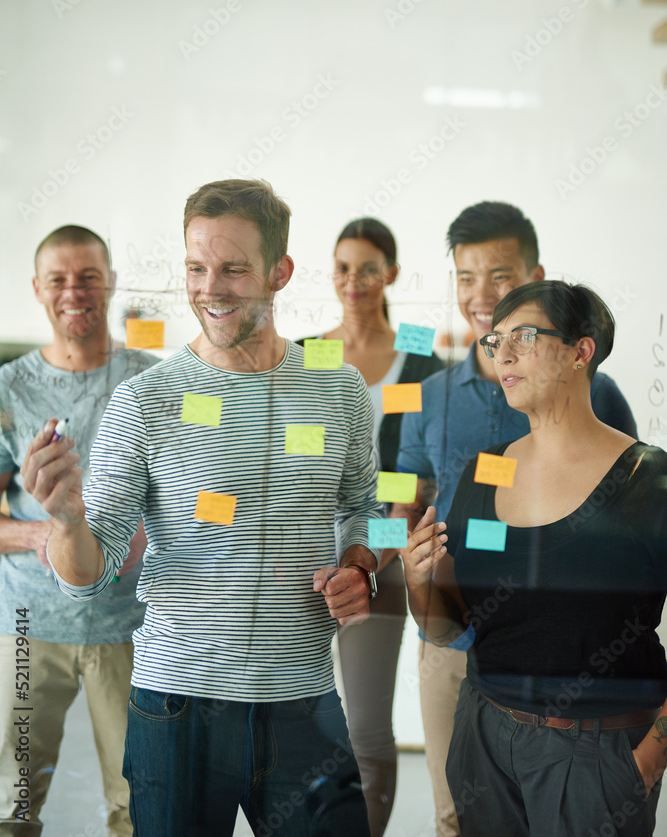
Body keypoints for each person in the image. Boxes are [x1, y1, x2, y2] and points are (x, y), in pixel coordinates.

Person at [20, 180, 385, 837]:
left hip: (304, 700)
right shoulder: (145, 402)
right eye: (195, 268)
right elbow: (86, 574)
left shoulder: (339, 388)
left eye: (233, 269)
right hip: (177, 708)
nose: (209, 288)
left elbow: (369, 506)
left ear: (280, 272)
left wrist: (362, 564)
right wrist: (68, 522)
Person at [395, 201, 638, 837]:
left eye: (499, 276)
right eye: (465, 278)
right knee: (456, 811)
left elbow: (620, 506)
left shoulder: (597, 391)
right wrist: (389, 562)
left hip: (567, 656)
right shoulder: (430, 394)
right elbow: (404, 488)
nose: (481, 295)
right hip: (455, 632)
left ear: (534, 274)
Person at [0, 225, 155, 835]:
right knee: (12, 800)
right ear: (38, 289)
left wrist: (148, 532)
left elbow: (205, 495)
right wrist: (41, 537)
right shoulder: (9, 390)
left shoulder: (155, 382)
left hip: (134, 629)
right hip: (28, 626)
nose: (75, 292)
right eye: (59, 279)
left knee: (137, 801)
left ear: (111, 282)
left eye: (89, 276)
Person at [299, 218, 444, 836]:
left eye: (366, 267)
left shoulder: (420, 354)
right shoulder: (309, 352)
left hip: (379, 565)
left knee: (365, 725)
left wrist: (370, 558)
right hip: (303, 566)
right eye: (341, 267)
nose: (352, 281)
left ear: (391, 274)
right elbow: (294, 464)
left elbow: (416, 480)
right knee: (297, 724)